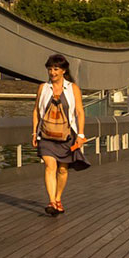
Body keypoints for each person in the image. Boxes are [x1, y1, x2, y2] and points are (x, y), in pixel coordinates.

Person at [33, 54, 84, 216]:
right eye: (50, 69)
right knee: (50, 166)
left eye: (56, 69)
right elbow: (36, 111)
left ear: (63, 71)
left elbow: (79, 112)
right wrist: (34, 131)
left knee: (63, 169)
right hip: (46, 135)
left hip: (66, 135)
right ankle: (52, 202)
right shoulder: (43, 88)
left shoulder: (72, 88)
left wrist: (81, 134)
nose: (52, 72)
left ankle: (58, 198)